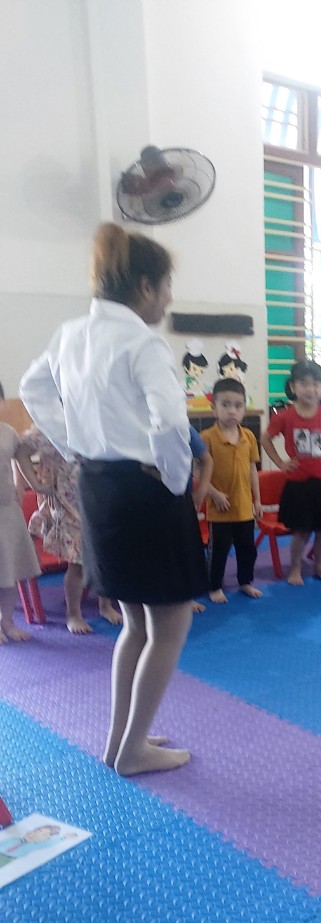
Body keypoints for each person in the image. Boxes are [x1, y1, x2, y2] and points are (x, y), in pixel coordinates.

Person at [20, 222, 207, 775]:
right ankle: (133, 750)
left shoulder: (70, 333)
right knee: (171, 625)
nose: (169, 298)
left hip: (97, 485)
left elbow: (32, 388)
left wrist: (73, 445)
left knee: (135, 624)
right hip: (145, 490)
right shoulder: (143, 343)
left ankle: (121, 739)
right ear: (145, 287)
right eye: (166, 286)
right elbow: (170, 423)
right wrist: (175, 479)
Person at [19, 427, 123, 633]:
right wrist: (37, 485)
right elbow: (21, 452)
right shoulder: (51, 427)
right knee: (78, 564)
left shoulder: (92, 423)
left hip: (98, 500)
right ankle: (73, 614)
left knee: (107, 556)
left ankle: (105, 605)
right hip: (68, 506)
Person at [261, 360, 321, 585]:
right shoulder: (284, 416)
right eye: (303, 383)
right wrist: (280, 463)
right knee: (300, 532)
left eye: (315, 384)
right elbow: (265, 438)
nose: (310, 389)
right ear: (293, 387)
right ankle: (295, 569)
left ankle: (319, 566)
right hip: (298, 486)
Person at [200, 377, 262, 603]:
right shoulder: (207, 437)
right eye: (225, 405)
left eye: (238, 405)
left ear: (244, 409)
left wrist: (257, 500)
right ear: (213, 408)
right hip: (220, 511)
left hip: (244, 508)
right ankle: (214, 586)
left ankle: (245, 581)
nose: (232, 411)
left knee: (248, 549)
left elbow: (253, 470)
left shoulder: (248, 437)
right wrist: (214, 494)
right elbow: (197, 472)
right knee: (218, 551)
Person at [0, 409, 42, 644]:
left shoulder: (7, 432)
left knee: (11, 570)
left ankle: (7, 621)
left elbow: (21, 456)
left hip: (7, 509)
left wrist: (20, 484)